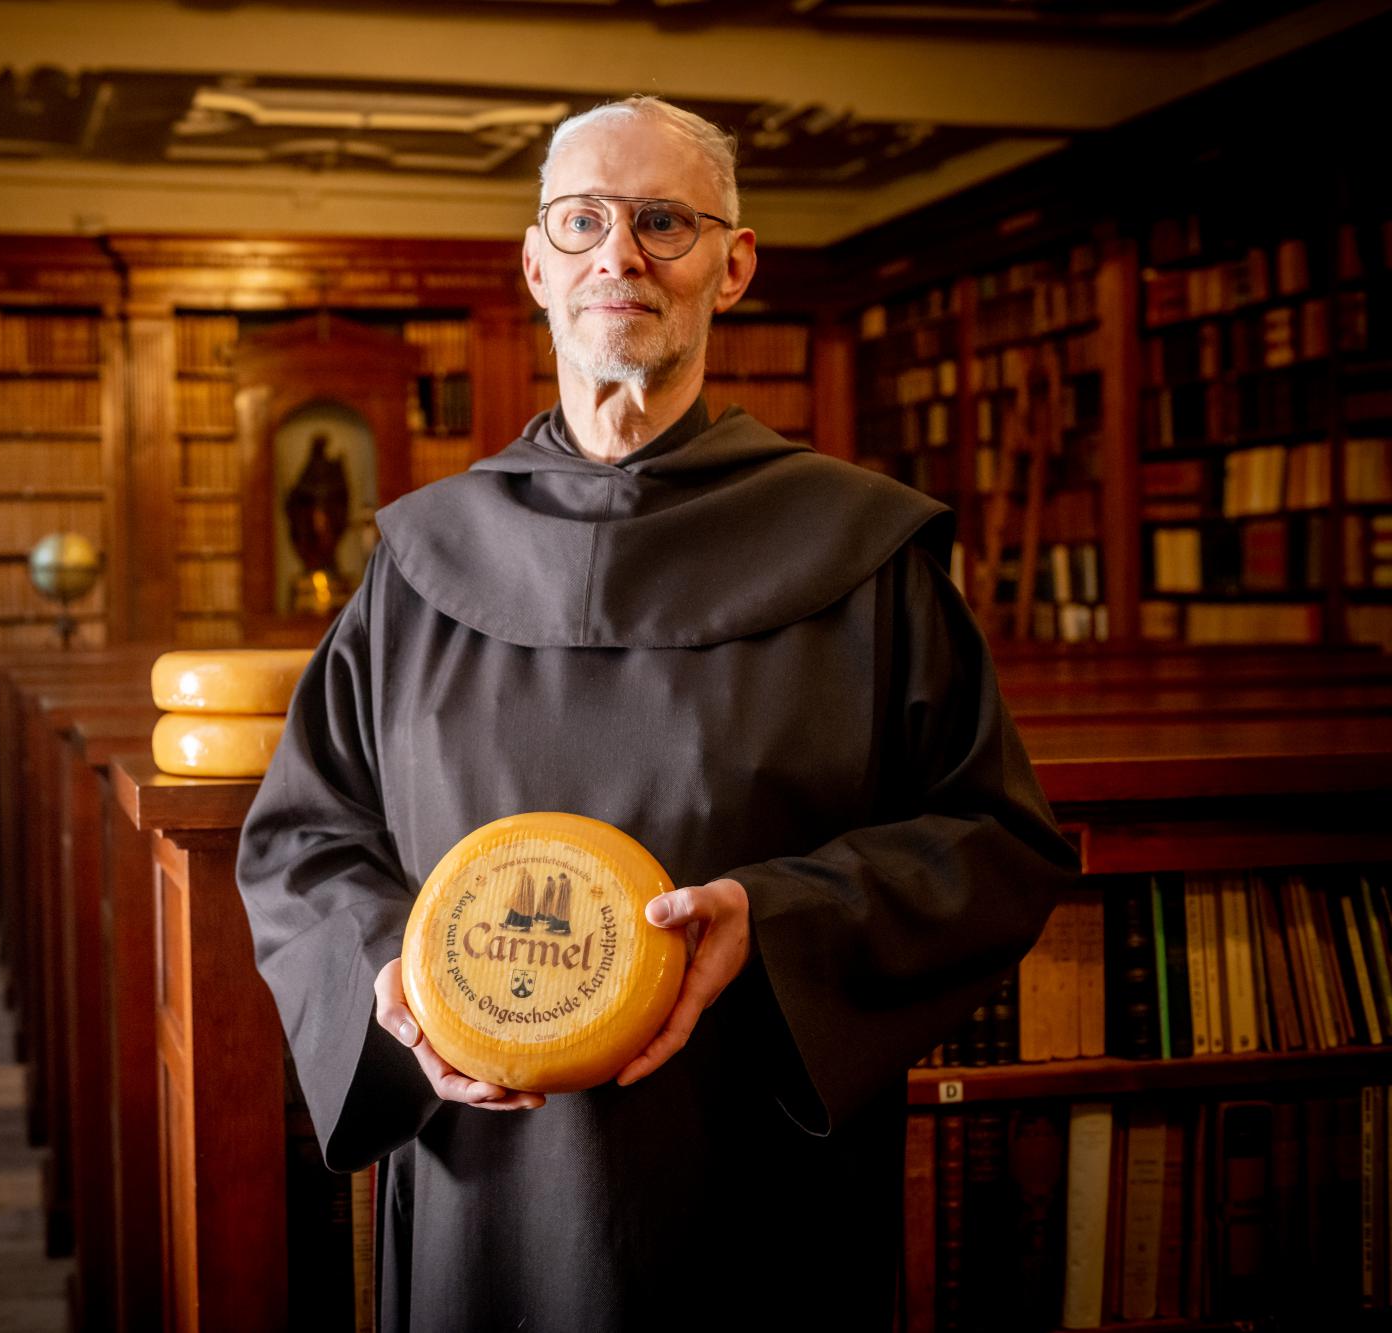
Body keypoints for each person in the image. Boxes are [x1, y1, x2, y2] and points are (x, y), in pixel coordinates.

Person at [235, 94, 1078, 1330]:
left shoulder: (861, 547)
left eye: (660, 222)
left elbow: (994, 844)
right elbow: (302, 840)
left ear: (730, 266)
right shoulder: (420, 557)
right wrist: (397, 982)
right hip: (489, 1176)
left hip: (754, 1162)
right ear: (535, 266)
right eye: (579, 223)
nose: (615, 255)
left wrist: (775, 920)